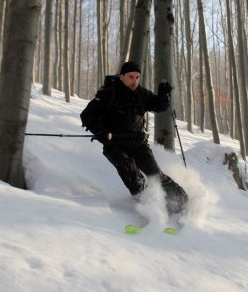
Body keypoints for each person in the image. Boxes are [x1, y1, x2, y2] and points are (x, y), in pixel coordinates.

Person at [80, 61, 188, 213]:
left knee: (156, 175)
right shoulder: (108, 94)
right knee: (128, 168)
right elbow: (87, 116)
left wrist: (165, 94)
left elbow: (159, 106)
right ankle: (147, 204)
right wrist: (101, 132)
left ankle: (182, 202)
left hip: (138, 144)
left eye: (137, 77)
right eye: (131, 77)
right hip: (114, 144)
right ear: (122, 77)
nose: (135, 81)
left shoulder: (141, 94)